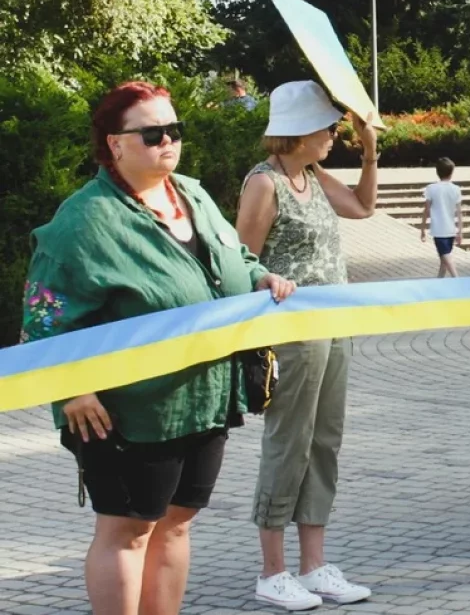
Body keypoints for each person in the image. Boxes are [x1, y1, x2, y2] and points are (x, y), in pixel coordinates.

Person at [20, 81, 294, 615]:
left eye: (174, 130)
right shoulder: (85, 220)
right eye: (152, 133)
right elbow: (43, 317)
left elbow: (229, 254)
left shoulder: (191, 192)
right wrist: (73, 388)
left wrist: (260, 277)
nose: (168, 140)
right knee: (128, 529)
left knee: (175, 523)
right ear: (114, 143)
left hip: (204, 395)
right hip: (127, 410)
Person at [236, 80, 379, 609]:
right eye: (330, 127)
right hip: (291, 330)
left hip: (333, 322)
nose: (334, 135)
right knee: (288, 442)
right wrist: (267, 280)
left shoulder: (313, 175)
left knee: (324, 440)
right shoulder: (265, 183)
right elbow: (242, 262)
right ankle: (272, 571)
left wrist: (369, 151)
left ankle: (314, 566)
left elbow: (363, 207)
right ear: (298, 132)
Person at [420, 157, 464, 278]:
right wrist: (460, 231)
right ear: (451, 172)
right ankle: (439, 281)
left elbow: (426, 210)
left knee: (445, 256)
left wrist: (423, 229)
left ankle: (457, 278)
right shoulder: (456, 189)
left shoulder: (431, 189)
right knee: (444, 259)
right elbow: (459, 212)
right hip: (451, 229)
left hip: (438, 229)